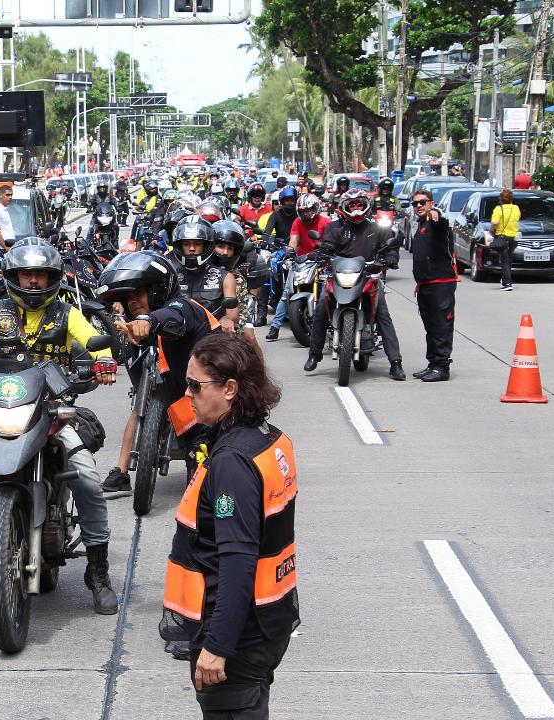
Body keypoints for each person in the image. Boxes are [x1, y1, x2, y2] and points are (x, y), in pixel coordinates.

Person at [0, 240, 121, 615]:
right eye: (26, 275)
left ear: (52, 279)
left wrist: (104, 361)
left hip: (52, 410)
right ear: (13, 278)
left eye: (41, 276)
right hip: (2, 409)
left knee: (87, 479)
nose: (33, 283)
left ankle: (98, 571)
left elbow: (92, 341)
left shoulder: (67, 314)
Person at [163, 331, 299, 720]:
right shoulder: (267, 440)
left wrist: (218, 646)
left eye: (195, 385)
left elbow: (237, 560)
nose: (187, 393)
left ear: (230, 389)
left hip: (237, 640)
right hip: (267, 622)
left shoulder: (233, 463)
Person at [98, 251, 220, 494]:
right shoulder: (134, 330)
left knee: (206, 490)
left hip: (216, 410)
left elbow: (171, 315)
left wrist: (149, 321)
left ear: (157, 289)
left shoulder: (182, 307)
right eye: (127, 297)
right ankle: (121, 471)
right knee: (138, 406)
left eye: (138, 293)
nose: (132, 301)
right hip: (183, 403)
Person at [303, 189, 405, 380]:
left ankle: (395, 363)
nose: (356, 209)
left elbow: (390, 248)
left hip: (368, 277)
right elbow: (326, 245)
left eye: (359, 205)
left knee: (383, 314)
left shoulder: (378, 229)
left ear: (366, 206)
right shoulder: (337, 229)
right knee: (320, 311)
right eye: (352, 205)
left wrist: (390, 258)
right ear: (344, 208)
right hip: (339, 277)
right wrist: (319, 253)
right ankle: (314, 354)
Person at [266, 193, 331, 341]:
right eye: (302, 211)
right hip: (302, 260)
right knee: (286, 293)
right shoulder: (297, 222)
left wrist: (323, 253)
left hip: (322, 261)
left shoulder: (326, 223)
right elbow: (294, 240)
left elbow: (330, 243)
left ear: (315, 208)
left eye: (308, 210)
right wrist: (289, 253)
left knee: (328, 292)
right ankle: (275, 327)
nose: (305, 214)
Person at [409, 189, 457, 382]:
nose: (419, 206)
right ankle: (433, 363)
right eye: (415, 203)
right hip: (425, 284)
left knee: (441, 326)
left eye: (423, 202)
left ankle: (441, 367)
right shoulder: (420, 225)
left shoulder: (436, 222)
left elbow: (441, 223)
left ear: (431, 203)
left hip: (441, 284)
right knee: (430, 327)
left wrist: (435, 214)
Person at [169, 215, 239, 332]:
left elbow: (233, 312)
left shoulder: (225, 277)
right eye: (186, 244)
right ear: (180, 246)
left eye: (197, 244)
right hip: (174, 336)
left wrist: (227, 319)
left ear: (206, 246)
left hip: (212, 337)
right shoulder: (170, 275)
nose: (191, 248)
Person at [489, 188, 521, 291]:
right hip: (513, 237)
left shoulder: (499, 209)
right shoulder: (516, 208)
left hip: (502, 237)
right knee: (508, 260)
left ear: (501, 199)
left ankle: (507, 283)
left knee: (504, 261)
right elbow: (518, 218)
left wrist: (492, 233)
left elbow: (494, 224)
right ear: (511, 199)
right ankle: (505, 280)